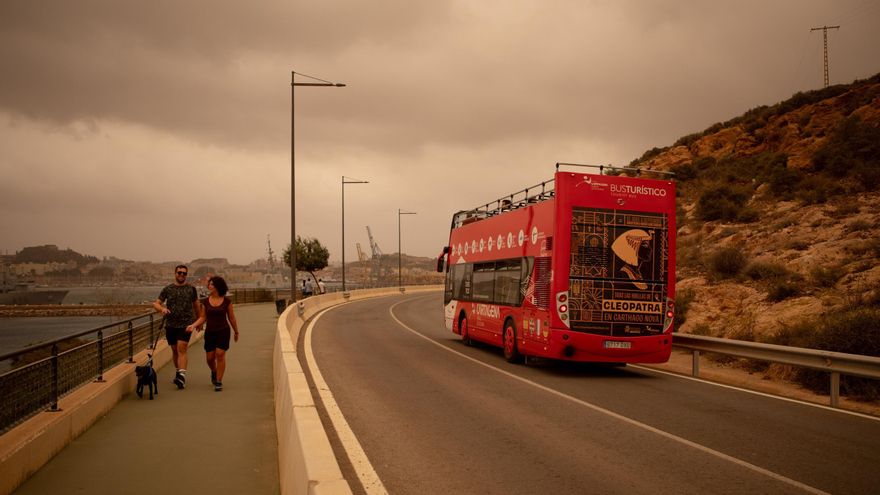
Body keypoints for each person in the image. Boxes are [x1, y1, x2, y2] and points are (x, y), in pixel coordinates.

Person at [187, 276, 239, 392]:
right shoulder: (205, 302)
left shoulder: (226, 301)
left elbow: (232, 318)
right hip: (210, 332)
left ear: (217, 287)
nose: (209, 286)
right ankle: (214, 371)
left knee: (220, 354)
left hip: (223, 331)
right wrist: (193, 325)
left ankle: (219, 381)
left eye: (212, 284)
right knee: (210, 358)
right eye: (209, 284)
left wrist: (236, 331)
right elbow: (202, 317)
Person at [153, 265, 198, 389]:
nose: (182, 275)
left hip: (186, 324)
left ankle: (182, 377)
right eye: (179, 273)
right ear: (175, 273)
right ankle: (179, 372)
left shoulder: (191, 289)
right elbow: (156, 303)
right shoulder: (168, 289)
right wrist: (162, 309)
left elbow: (196, 305)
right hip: (171, 325)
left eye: (184, 273)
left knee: (181, 348)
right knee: (174, 350)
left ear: (186, 275)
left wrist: (199, 322)